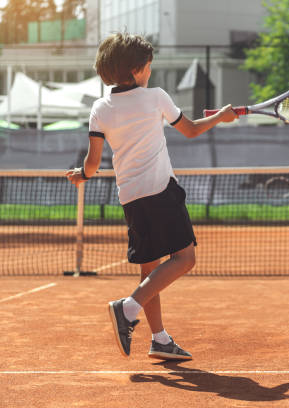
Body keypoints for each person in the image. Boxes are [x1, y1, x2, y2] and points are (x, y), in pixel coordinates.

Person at [66, 33, 237, 360]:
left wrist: (83, 175)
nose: (150, 71)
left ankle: (159, 340)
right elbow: (191, 130)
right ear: (136, 70)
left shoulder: (100, 108)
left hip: (131, 198)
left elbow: (91, 162)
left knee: (150, 273)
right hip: (161, 193)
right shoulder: (155, 96)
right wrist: (220, 116)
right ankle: (127, 309)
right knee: (185, 259)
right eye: (148, 66)